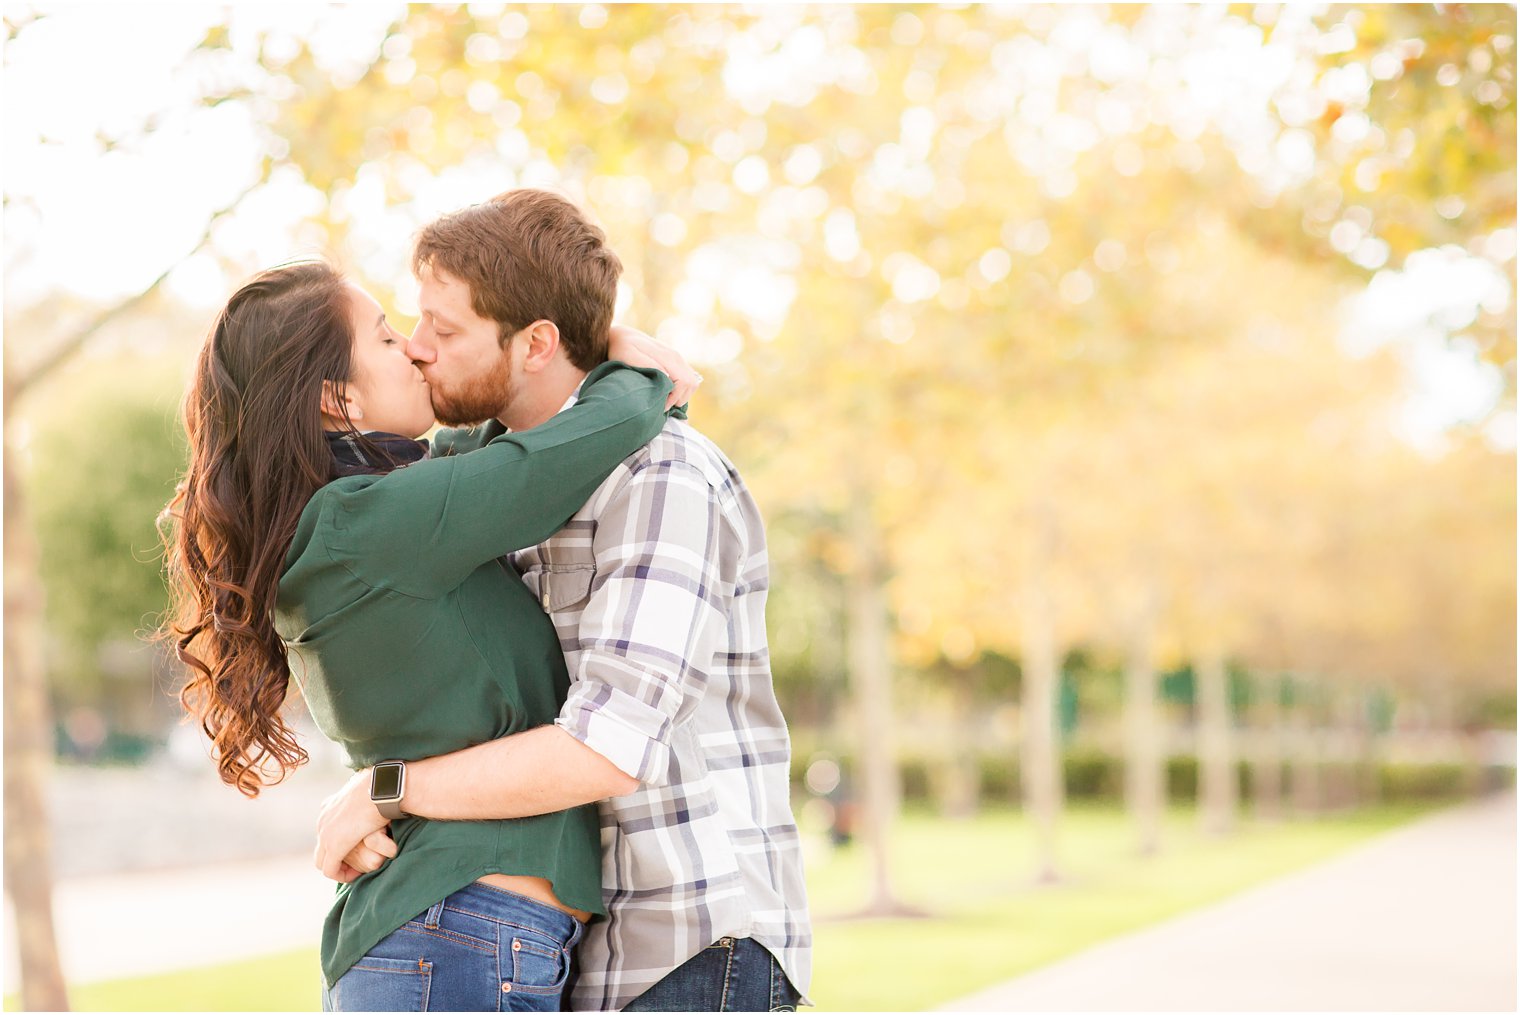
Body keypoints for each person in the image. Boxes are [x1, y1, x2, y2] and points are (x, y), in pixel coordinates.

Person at [312, 189, 813, 1012]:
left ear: (537, 341)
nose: (418, 349)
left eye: (446, 330)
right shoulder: (483, 474)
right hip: (570, 941)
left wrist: (386, 788)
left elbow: (608, 745)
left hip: (685, 937)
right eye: (414, 322)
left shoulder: (661, 474)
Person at [159, 259, 695, 1011]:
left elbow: (501, 423)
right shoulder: (369, 524)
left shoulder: (363, 516)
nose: (413, 348)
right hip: (457, 938)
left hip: (458, 940)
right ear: (335, 396)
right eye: (385, 339)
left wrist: (581, 339)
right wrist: (629, 364)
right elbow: (567, 449)